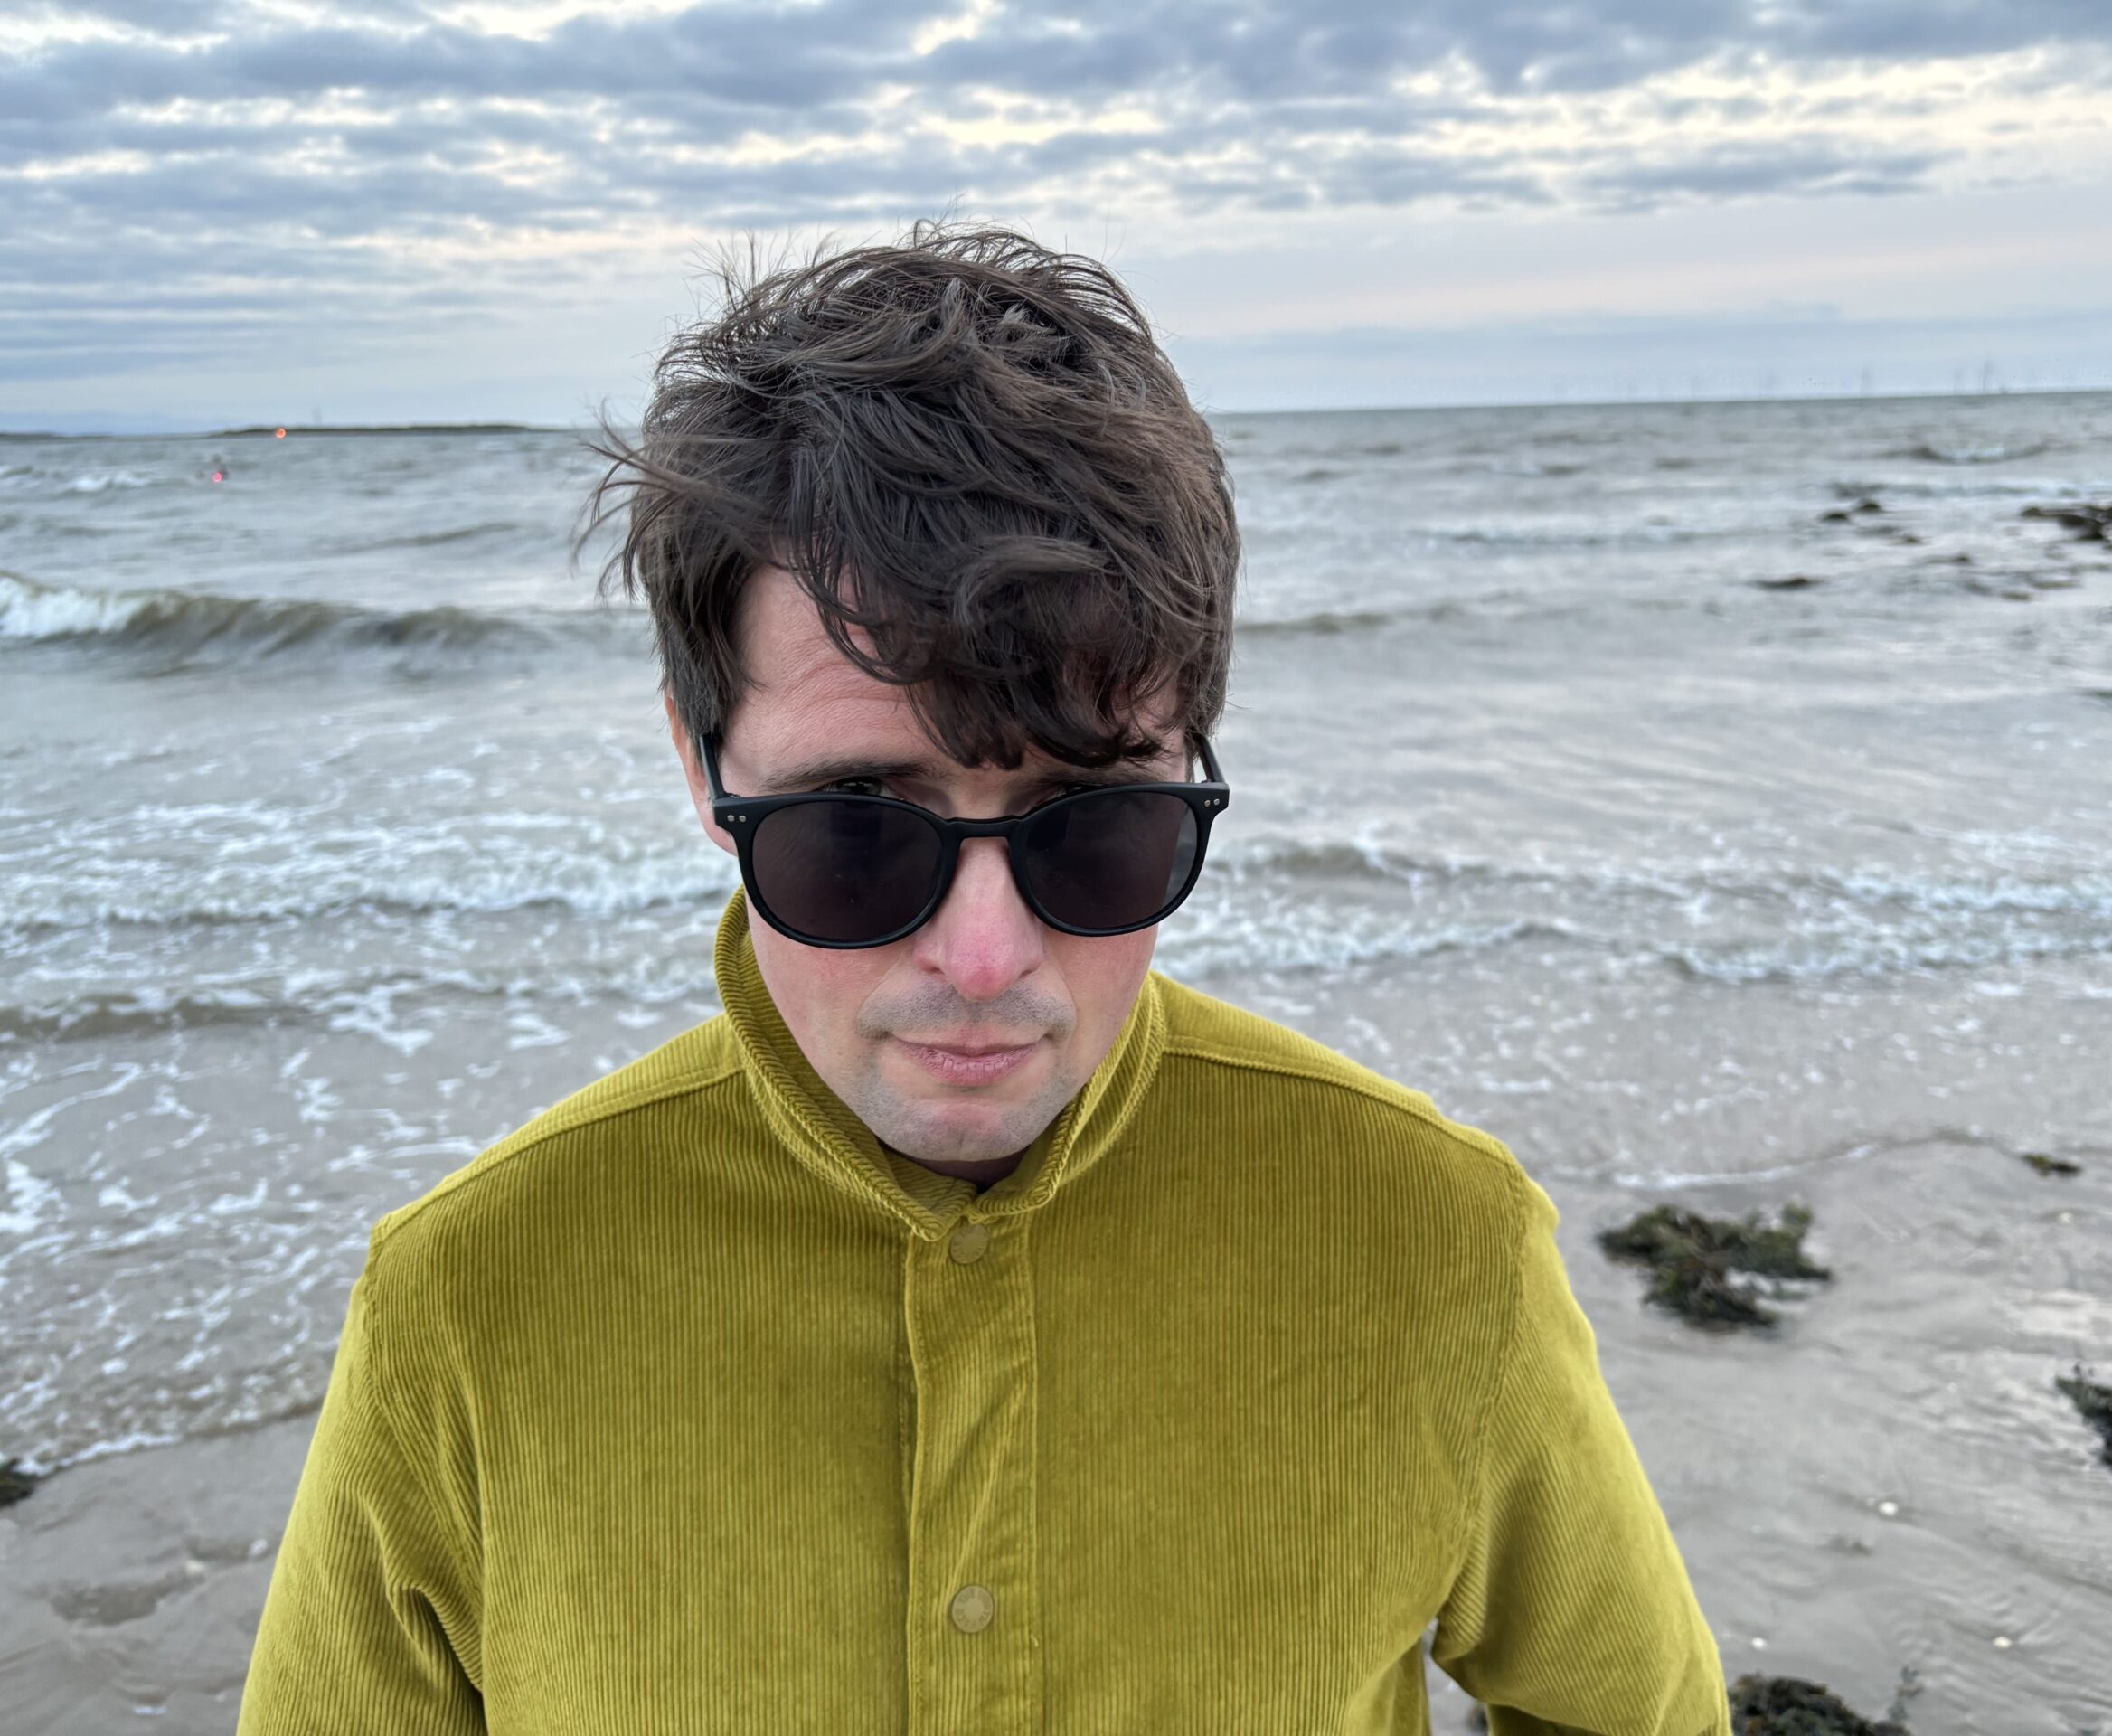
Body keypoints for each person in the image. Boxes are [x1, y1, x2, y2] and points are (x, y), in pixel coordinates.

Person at [236, 223, 1730, 1734]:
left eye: (1096, 828)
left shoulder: (1440, 1242)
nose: (985, 959)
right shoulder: (463, 1302)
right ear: (701, 767)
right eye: (855, 830)